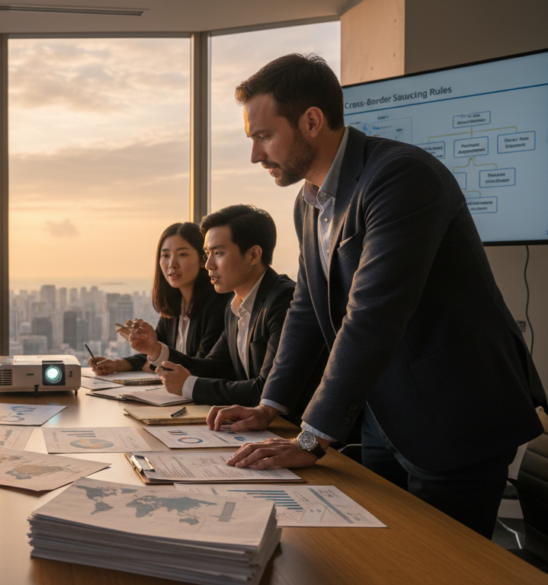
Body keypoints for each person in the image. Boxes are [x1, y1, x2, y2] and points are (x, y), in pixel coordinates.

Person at [207, 54, 544, 539]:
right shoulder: (310, 201)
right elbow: (306, 308)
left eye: (263, 136)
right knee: (378, 552)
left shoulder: (401, 176)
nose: (256, 156)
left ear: (312, 121)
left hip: (453, 414)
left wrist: (311, 436)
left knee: (440, 566)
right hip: (384, 414)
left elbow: (373, 313)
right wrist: (271, 405)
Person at [127, 205, 323, 423]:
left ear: (253, 255)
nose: (208, 265)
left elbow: (267, 389)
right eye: (207, 254)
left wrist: (190, 385)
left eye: (218, 253)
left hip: (294, 431)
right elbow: (214, 367)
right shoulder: (234, 307)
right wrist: (157, 351)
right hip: (256, 427)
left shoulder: (284, 301)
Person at [88, 222, 230, 376]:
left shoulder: (219, 305)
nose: (172, 264)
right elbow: (157, 351)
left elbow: (202, 367)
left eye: (182, 254)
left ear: (203, 260)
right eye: (165, 255)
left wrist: (155, 360)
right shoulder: (175, 306)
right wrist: (119, 364)